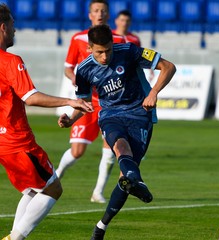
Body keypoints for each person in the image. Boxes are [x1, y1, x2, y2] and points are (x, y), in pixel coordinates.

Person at [58, 24, 176, 240]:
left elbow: (169, 67)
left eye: (108, 51)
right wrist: (71, 119)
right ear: (89, 48)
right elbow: (83, 102)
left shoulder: (129, 51)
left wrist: (154, 93)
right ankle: (136, 180)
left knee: (125, 177)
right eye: (99, 52)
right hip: (110, 116)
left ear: (113, 45)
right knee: (120, 147)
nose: (104, 57)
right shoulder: (83, 70)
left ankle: (102, 225)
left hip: (141, 114)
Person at [0, 4, 93, 240]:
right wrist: (70, 102)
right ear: (2, 28)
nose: (14, 29)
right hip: (17, 141)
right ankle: (14, 238)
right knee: (53, 188)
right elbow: (30, 97)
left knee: (33, 189)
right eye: (11, 24)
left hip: (3, 143)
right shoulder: (10, 61)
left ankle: (13, 236)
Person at [55, 0, 125, 204]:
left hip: (110, 103)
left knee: (110, 148)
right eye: (96, 10)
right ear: (90, 14)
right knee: (77, 151)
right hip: (86, 102)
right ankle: (58, 174)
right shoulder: (78, 38)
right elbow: (68, 67)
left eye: (103, 10)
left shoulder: (118, 40)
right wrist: (74, 77)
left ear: (108, 14)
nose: (100, 13)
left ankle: (98, 192)